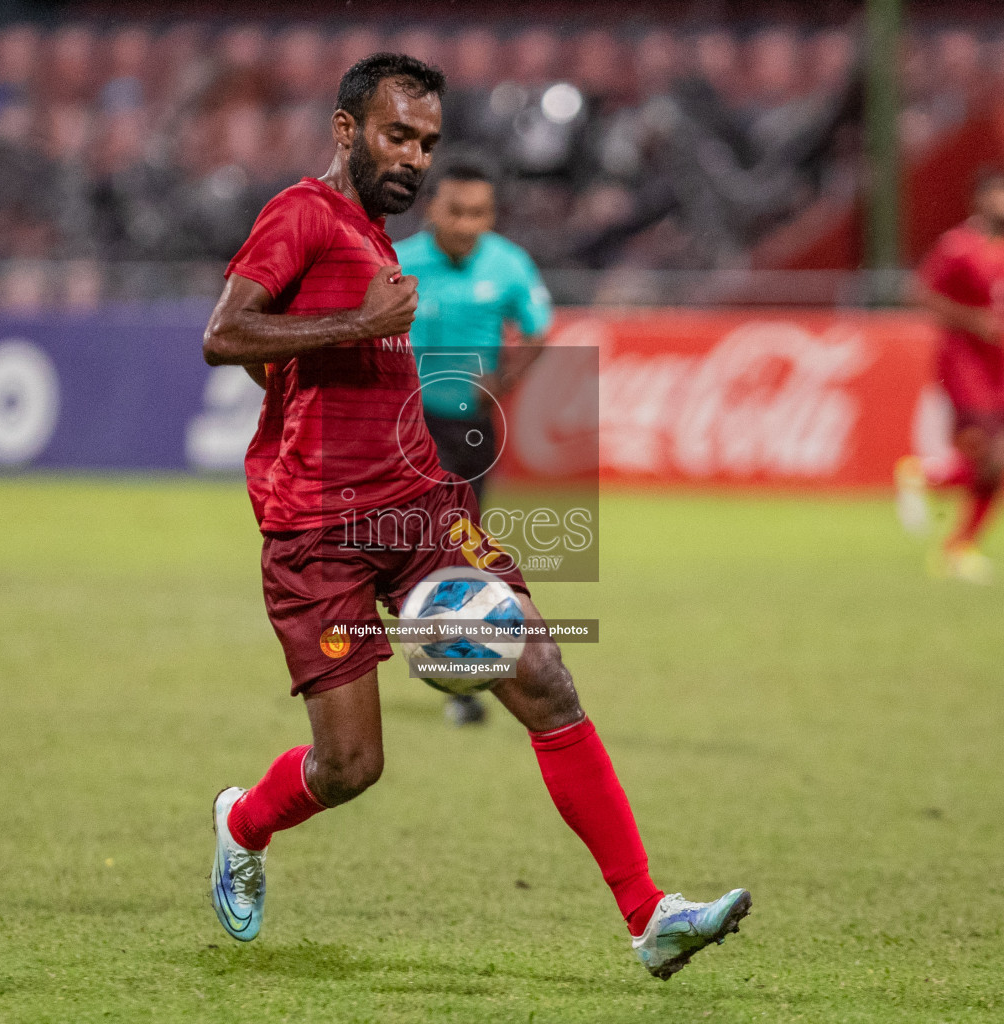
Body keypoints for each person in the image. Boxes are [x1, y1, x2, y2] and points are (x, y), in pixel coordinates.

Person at [200, 53, 750, 980]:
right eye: (396, 136)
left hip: (420, 511)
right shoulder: (301, 215)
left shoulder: (377, 235)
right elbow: (224, 334)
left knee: (545, 678)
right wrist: (349, 333)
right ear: (346, 132)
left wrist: (327, 364)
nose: (414, 157)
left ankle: (649, 914)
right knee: (351, 769)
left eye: (427, 142)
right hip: (318, 536)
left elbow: (285, 359)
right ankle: (243, 822)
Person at [393, 162, 553, 727]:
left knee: (456, 549)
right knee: (384, 541)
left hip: (468, 430)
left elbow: (538, 331)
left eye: (480, 212)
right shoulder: (398, 262)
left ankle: (461, 679)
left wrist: (502, 382)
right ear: (430, 208)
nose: (468, 224)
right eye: (457, 210)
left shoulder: (508, 264)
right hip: (400, 425)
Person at [896, 170, 1004, 583]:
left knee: (1000, 465)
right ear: (981, 200)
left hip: (998, 367)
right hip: (962, 363)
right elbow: (919, 293)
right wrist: (971, 320)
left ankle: (955, 537)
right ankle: (929, 488)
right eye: (1003, 193)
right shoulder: (958, 247)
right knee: (993, 454)